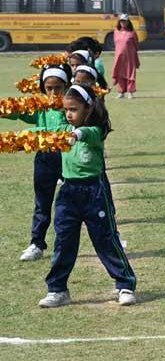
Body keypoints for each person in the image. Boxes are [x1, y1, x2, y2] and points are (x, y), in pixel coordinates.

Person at [38, 85, 137, 308]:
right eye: (66, 110)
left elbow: (89, 134)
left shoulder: (96, 131)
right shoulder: (63, 129)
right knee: (63, 242)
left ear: (88, 108)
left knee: (106, 240)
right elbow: (45, 129)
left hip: (94, 192)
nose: (69, 114)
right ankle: (57, 289)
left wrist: (77, 134)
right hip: (67, 193)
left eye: (74, 109)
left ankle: (125, 284)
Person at [1, 64, 72, 262]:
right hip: (45, 159)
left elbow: (69, 129)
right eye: (49, 88)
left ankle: (106, 238)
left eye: (58, 88)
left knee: (74, 205)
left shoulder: (72, 105)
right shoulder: (40, 106)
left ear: (66, 86)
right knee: (42, 203)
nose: (53, 93)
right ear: (43, 88)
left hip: (69, 160)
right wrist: (5, 109)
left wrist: (33, 134)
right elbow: (19, 112)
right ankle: (36, 244)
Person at [112, 14, 140, 99]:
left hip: (130, 57)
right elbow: (116, 44)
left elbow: (136, 45)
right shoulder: (116, 32)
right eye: (121, 21)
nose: (123, 23)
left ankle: (130, 92)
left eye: (124, 21)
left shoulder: (132, 33)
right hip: (119, 58)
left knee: (130, 74)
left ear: (128, 22)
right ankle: (121, 92)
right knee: (120, 73)